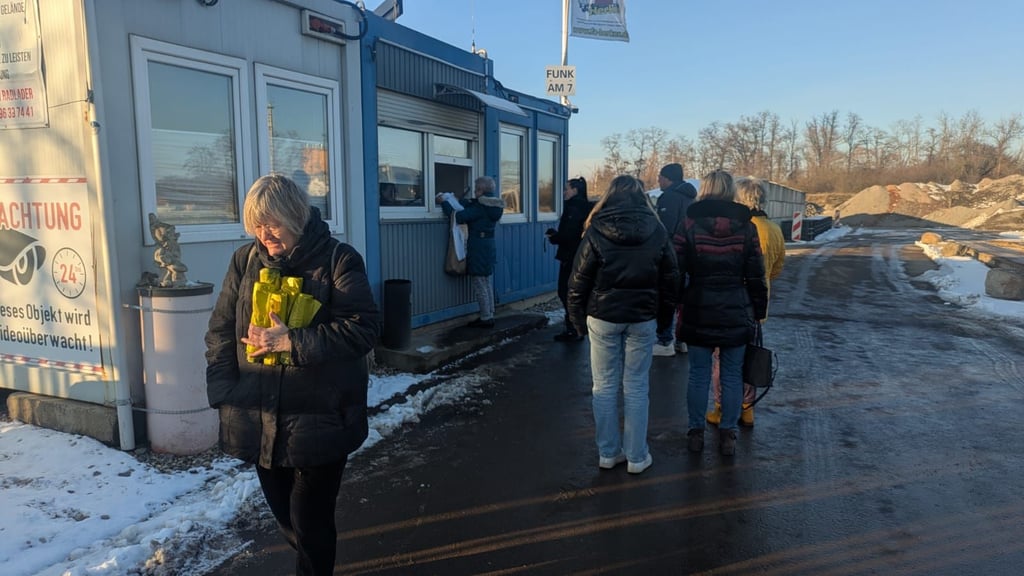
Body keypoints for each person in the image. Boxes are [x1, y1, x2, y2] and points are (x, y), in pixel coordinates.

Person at [205, 174, 380, 576]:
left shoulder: (339, 259)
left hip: (321, 417)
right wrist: (223, 392)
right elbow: (219, 328)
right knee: (287, 520)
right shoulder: (245, 260)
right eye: (256, 225)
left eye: (272, 223)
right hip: (258, 414)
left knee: (311, 522)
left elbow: (364, 329)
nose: (264, 234)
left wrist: (292, 342)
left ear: (296, 215)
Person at [567, 175, 679, 475]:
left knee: (603, 386)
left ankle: (608, 453)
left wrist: (577, 321)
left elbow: (577, 282)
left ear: (610, 197)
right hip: (643, 318)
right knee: (636, 386)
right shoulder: (657, 230)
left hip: (602, 317)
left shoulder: (595, 230)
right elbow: (671, 280)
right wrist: (665, 321)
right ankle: (637, 456)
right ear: (643, 197)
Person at [673, 170, 767, 457]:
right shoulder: (746, 226)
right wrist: (758, 310)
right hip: (735, 308)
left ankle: (695, 433)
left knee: (698, 374)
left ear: (704, 190)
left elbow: (676, 270)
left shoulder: (688, 222)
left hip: (698, 307)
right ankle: (728, 434)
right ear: (730, 191)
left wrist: (676, 303)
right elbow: (755, 274)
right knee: (731, 373)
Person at [707, 177, 786, 428]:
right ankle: (747, 407)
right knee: (749, 355)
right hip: (758, 305)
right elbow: (777, 269)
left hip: (731, 303)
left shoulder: (739, 227)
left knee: (722, 359)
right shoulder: (774, 229)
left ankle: (720, 407)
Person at [438, 176, 504, 328]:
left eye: (476, 189)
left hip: (478, 247)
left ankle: (486, 318)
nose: (474, 192)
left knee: (479, 283)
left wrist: (445, 203)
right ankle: (490, 313)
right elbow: (471, 205)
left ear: (481, 190)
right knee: (486, 281)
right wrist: (460, 200)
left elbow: (459, 217)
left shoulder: (480, 207)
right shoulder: (493, 205)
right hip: (488, 246)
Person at [653, 163, 698, 356]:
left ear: (668, 178)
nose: (658, 181)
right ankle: (682, 340)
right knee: (683, 300)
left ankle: (664, 341)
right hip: (689, 257)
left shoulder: (669, 198)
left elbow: (664, 231)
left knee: (666, 298)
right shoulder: (690, 199)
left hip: (672, 258)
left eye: (660, 177)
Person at [546, 176, 594, 341]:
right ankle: (575, 327)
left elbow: (570, 235)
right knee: (573, 291)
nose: (564, 192)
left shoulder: (575, 208)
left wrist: (554, 237)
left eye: (566, 188)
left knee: (566, 291)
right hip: (581, 255)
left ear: (575, 190)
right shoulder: (586, 207)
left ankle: (574, 328)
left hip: (571, 256)